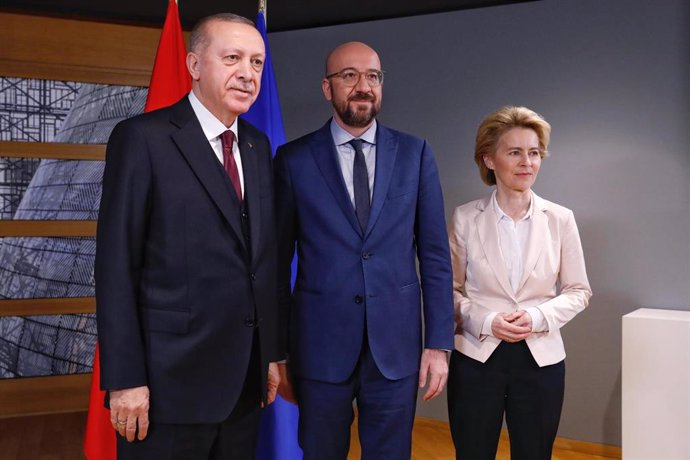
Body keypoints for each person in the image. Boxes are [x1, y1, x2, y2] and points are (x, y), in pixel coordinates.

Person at [95, 13, 281, 459]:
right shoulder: (142, 139)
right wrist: (124, 379)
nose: (248, 73)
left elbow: (262, 261)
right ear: (195, 65)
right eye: (232, 58)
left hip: (243, 383)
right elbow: (116, 265)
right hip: (165, 388)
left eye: (256, 62)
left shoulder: (256, 146)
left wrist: (269, 353)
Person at [273, 41, 454, 459]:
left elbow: (436, 258)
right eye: (349, 75)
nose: (363, 86)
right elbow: (276, 264)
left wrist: (439, 343)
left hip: (396, 349)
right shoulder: (293, 160)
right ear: (327, 87)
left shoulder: (415, 154)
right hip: (319, 350)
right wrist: (278, 352)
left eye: (372, 76)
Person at [447, 106, 592, 459]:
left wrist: (538, 317)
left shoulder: (560, 219)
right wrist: (486, 320)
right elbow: (446, 290)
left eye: (534, 152)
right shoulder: (465, 218)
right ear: (489, 160)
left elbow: (579, 290)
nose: (527, 162)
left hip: (540, 361)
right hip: (477, 358)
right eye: (515, 152)